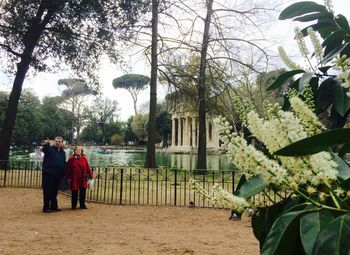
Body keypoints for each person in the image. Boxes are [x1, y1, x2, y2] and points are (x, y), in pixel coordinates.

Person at [42, 136, 66, 213]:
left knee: (54, 191)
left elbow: (63, 163)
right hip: (48, 174)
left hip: (57, 175)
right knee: (47, 191)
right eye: (56, 141)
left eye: (59, 141)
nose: (57, 142)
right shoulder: (50, 149)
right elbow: (45, 150)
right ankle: (46, 207)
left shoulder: (63, 152)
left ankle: (54, 206)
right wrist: (46, 144)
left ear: (62, 143)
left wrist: (63, 173)